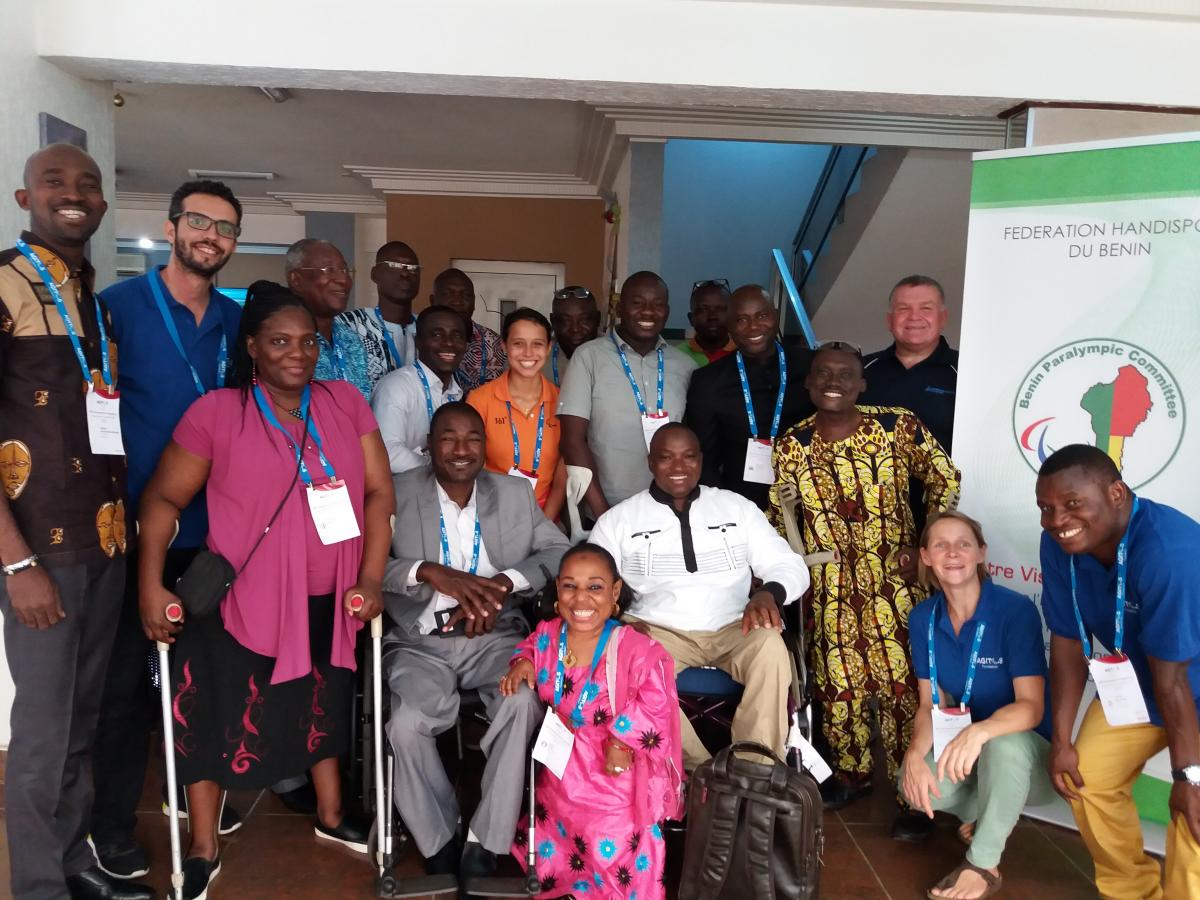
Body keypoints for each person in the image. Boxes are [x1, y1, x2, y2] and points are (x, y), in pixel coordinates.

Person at [138, 283, 393, 899]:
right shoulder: (219, 414)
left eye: (307, 341)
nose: (296, 353)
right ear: (252, 346)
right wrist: (150, 584)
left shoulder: (345, 403)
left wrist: (371, 578)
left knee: (322, 707)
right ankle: (202, 846)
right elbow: (163, 498)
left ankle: (332, 816)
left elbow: (380, 492)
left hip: (329, 596)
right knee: (214, 719)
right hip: (240, 601)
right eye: (279, 341)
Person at [0, 144, 151, 900]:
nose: (74, 194)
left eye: (87, 185)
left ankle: (71, 862)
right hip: (41, 555)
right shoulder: (3, 284)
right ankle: (37, 886)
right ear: (25, 198)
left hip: (106, 545)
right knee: (41, 734)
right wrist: (16, 564)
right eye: (55, 182)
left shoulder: (91, 296)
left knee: (85, 719)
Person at [91, 178, 245, 878]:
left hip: (212, 532)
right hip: (128, 527)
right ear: (173, 225)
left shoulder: (236, 322)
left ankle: (192, 798)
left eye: (225, 228)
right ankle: (112, 824)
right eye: (200, 222)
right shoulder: (116, 310)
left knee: (201, 680)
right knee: (124, 684)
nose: (211, 236)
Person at [382, 402, 569, 882]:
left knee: (523, 701)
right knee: (404, 722)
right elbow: (363, 568)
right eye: (448, 438)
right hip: (421, 639)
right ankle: (438, 836)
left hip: (494, 636)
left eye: (472, 438)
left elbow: (558, 552)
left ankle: (487, 837)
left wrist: (504, 584)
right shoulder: (395, 493)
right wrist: (428, 572)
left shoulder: (512, 494)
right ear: (429, 445)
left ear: (486, 447)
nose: (461, 449)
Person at [769, 340, 960, 808]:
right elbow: (780, 515)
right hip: (830, 584)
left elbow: (945, 479)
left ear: (862, 384)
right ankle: (852, 779)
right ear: (809, 383)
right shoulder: (793, 444)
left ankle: (912, 793)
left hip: (896, 577)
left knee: (904, 684)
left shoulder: (896, 425)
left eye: (844, 375)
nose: (833, 383)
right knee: (838, 685)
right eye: (823, 374)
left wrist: (927, 545)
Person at [590, 423, 810, 768]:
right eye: (666, 458)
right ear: (650, 462)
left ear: (701, 460)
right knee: (626, 658)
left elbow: (789, 565)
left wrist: (769, 593)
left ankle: (752, 771)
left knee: (771, 646)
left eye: (688, 457)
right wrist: (618, 622)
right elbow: (592, 584)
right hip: (656, 631)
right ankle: (697, 773)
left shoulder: (735, 508)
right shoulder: (618, 521)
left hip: (734, 626)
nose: (679, 468)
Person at [1037, 444, 1200, 900]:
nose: (1057, 520)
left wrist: (1189, 778)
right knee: (1085, 776)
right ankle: (1132, 890)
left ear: (1116, 492)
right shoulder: (1060, 541)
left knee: (1196, 814)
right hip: (1142, 685)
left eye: (1072, 504)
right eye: (1046, 508)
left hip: (1185, 684)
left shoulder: (1170, 551)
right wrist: (1063, 739)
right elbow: (1068, 641)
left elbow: (1173, 681)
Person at [501, 542, 685, 899]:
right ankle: (573, 887)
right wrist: (522, 663)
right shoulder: (550, 634)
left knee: (611, 837)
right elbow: (529, 647)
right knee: (563, 828)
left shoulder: (635, 647)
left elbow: (658, 699)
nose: (581, 598)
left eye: (595, 587)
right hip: (564, 762)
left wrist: (621, 740)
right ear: (557, 589)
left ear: (615, 592)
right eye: (570, 586)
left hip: (613, 766)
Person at [898, 511, 1053, 899]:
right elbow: (930, 704)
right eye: (940, 545)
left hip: (1025, 755)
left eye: (964, 544)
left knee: (1002, 744)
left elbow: (1031, 708)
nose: (953, 553)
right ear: (926, 557)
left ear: (981, 553)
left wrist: (979, 732)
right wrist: (915, 755)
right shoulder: (922, 617)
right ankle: (984, 814)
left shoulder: (1014, 611)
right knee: (912, 784)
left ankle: (983, 863)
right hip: (970, 752)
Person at [558, 271, 697, 517]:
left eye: (657, 304)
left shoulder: (685, 366)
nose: (648, 312)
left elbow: (694, 442)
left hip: (669, 513)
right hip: (606, 509)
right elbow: (572, 440)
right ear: (620, 309)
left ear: (667, 310)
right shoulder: (588, 357)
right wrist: (603, 515)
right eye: (637, 303)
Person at [685, 284, 813, 509]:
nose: (753, 327)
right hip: (742, 506)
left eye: (762, 315)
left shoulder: (811, 366)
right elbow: (706, 461)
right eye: (741, 320)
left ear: (775, 316)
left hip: (809, 501)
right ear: (729, 327)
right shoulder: (708, 381)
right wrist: (729, 511)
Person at [467, 308, 566, 520]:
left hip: (546, 518)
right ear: (504, 346)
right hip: (492, 515)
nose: (528, 353)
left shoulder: (563, 402)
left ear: (549, 348)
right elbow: (475, 471)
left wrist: (543, 525)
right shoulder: (479, 400)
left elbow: (560, 481)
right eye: (518, 343)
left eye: (537, 344)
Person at [861, 275, 958, 453]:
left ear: (943, 318)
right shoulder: (860, 370)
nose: (914, 317)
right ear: (889, 321)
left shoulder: (966, 372)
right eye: (903, 308)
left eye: (926, 308)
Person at [372, 304, 467, 473]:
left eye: (457, 335)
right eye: (437, 335)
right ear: (418, 342)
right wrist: (440, 469)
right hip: (403, 494)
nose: (449, 343)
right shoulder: (396, 386)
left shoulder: (457, 392)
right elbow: (387, 453)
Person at [285, 238, 371, 399]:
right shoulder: (284, 342)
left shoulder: (351, 339)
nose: (343, 280)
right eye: (329, 270)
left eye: (344, 270)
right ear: (296, 280)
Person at [339, 240, 420, 389]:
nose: (405, 273)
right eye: (394, 266)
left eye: (413, 268)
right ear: (375, 274)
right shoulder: (349, 325)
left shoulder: (428, 328)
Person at [432, 267, 506, 391]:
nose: (457, 302)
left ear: (474, 302)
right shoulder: (422, 340)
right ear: (432, 300)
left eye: (465, 295)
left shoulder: (494, 342)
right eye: (448, 294)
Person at [545, 285, 601, 387]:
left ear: (598, 319)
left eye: (584, 320)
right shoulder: (537, 358)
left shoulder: (616, 358)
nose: (575, 329)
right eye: (565, 321)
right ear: (553, 321)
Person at [678, 279, 735, 367]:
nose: (712, 316)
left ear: (732, 315)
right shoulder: (676, 356)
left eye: (720, 309)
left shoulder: (745, 354)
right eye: (704, 309)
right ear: (691, 319)